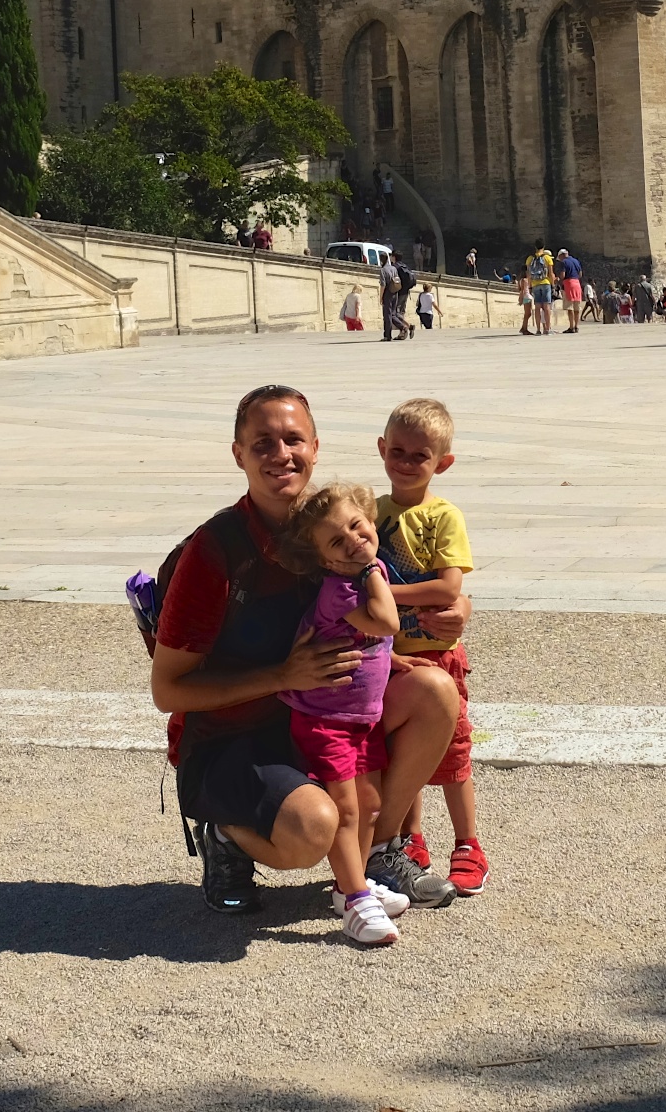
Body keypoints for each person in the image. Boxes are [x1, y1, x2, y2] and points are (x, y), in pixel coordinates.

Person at [150, 387, 462, 917]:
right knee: (312, 828)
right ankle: (227, 835)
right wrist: (283, 674)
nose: (281, 454)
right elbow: (167, 691)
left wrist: (455, 611)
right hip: (237, 734)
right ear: (238, 454)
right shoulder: (214, 552)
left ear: (315, 447)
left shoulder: (332, 527)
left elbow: (393, 588)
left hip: (321, 713)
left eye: (293, 439)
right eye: (262, 443)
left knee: (434, 690)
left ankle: (379, 852)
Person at [274, 483, 406, 946]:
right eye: (337, 541)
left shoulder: (372, 572)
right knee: (346, 808)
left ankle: (349, 886)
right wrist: (370, 568)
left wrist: (393, 661)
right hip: (324, 718)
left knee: (370, 804)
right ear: (326, 562)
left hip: (359, 717)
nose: (353, 539)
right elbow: (387, 622)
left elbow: (379, 640)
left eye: (357, 525)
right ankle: (355, 900)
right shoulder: (343, 588)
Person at [372, 399, 490, 897]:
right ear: (381, 449)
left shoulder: (443, 515)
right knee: (407, 753)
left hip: (438, 653)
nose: (405, 461)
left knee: (454, 754)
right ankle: (408, 838)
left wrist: (382, 593)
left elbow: (447, 588)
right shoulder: (371, 512)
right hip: (390, 654)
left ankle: (468, 844)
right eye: (396, 450)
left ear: (441, 463)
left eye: (419, 455)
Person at [522, 243, 555, 336]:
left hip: (535, 284)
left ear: (535, 247)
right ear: (543, 247)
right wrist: (553, 285)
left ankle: (538, 330)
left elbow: (528, 274)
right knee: (546, 306)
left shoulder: (530, 258)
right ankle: (547, 329)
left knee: (537, 307)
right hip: (545, 283)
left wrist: (530, 285)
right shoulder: (547, 258)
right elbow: (551, 273)